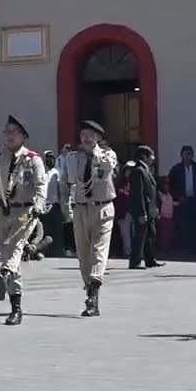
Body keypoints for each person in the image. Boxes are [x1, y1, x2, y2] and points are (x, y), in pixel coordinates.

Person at [0, 115, 46, 326]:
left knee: (16, 246)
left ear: (23, 136)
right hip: (0, 210)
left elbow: (41, 186)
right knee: (7, 252)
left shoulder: (33, 159)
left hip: (25, 211)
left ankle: (4, 273)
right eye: (6, 132)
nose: (9, 136)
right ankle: (16, 307)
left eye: (13, 132)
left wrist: (39, 206)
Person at [59, 120, 117, 316]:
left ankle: (93, 295)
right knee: (83, 255)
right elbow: (69, 181)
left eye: (90, 134)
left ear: (98, 138)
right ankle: (90, 291)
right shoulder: (73, 157)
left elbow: (107, 166)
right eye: (83, 134)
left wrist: (95, 154)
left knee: (98, 251)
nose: (86, 137)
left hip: (102, 207)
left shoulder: (108, 154)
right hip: (81, 209)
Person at [127, 145, 162, 270]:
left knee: (150, 234)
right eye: (151, 155)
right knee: (140, 235)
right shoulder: (138, 170)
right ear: (144, 156)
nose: (153, 158)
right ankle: (135, 261)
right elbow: (138, 193)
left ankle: (150, 259)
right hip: (142, 208)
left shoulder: (146, 169)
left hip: (149, 207)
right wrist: (141, 212)